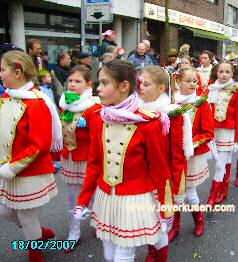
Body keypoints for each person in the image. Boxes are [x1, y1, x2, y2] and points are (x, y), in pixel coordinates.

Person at [74, 60, 174, 262]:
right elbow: (94, 164)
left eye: (104, 83)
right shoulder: (98, 118)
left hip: (135, 199)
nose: (98, 89)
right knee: (109, 255)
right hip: (105, 198)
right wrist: (83, 201)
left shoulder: (150, 123)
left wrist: (166, 209)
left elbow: (160, 170)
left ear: (123, 86)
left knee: (123, 255)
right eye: (98, 83)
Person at [0, 50, 62, 262]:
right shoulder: (8, 95)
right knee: (5, 211)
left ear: (17, 72)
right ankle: (38, 232)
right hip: (8, 167)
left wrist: (12, 167)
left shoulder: (37, 103)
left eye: (2, 70)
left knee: (26, 214)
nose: (0, 74)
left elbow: (40, 145)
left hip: (28, 171)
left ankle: (35, 252)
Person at [139, 66, 193, 247]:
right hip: (141, 179)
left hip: (162, 180)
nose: (140, 87)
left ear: (161, 88)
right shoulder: (135, 111)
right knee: (146, 222)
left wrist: (177, 189)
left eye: (146, 84)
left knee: (158, 222)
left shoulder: (172, 115)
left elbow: (177, 155)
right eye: (139, 82)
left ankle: (158, 251)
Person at [59, 65, 101, 252]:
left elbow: (99, 139)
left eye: (78, 81)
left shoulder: (94, 108)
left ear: (88, 84)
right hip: (69, 158)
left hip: (88, 161)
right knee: (72, 199)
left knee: (93, 196)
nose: (73, 85)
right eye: (71, 81)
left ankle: (96, 222)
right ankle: (74, 232)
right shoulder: (65, 103)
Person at [175, 67, 214, 237]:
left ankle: (199, 219)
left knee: (190, 194)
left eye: (195, 81)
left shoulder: (201, 103)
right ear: (178, 82)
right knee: (175, 193)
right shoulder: (171, 103)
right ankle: (174, 226)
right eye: (188, 80)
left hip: (192, 156)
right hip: (174, 157)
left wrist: (189, 144)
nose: (192, 84)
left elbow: (208, 133)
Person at [207, 61, 238, 206]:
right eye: (221, 71)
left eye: (227, 72)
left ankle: (212, 196)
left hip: (228, 133)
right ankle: (223, 189)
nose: (223, 74)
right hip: (213, 132)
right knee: (225, 163)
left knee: (219, 165)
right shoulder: (211, 89)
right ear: (216, 72)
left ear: (232, 73)